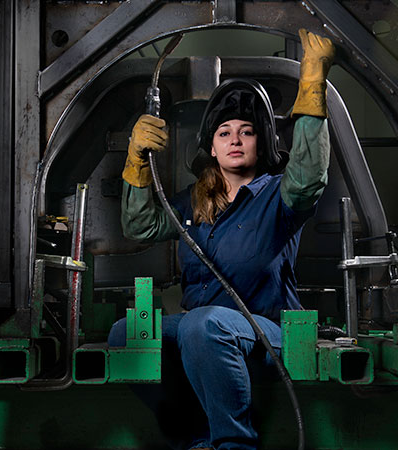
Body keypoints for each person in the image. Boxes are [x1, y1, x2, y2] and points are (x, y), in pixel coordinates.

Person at [108, 29, 335, 450]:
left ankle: (234, 444)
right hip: (204, 335)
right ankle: (193, 438)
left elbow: (308, 178)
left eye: (246, 131)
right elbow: (140, 227)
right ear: (211, 147)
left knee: (204, 322)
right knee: (127, 332)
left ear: (260, 142)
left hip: (268, 332)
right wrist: (135, 159)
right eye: (225, 132)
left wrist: (312, 85)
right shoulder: (194, 201)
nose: (235, 139)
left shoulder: (279, 195)